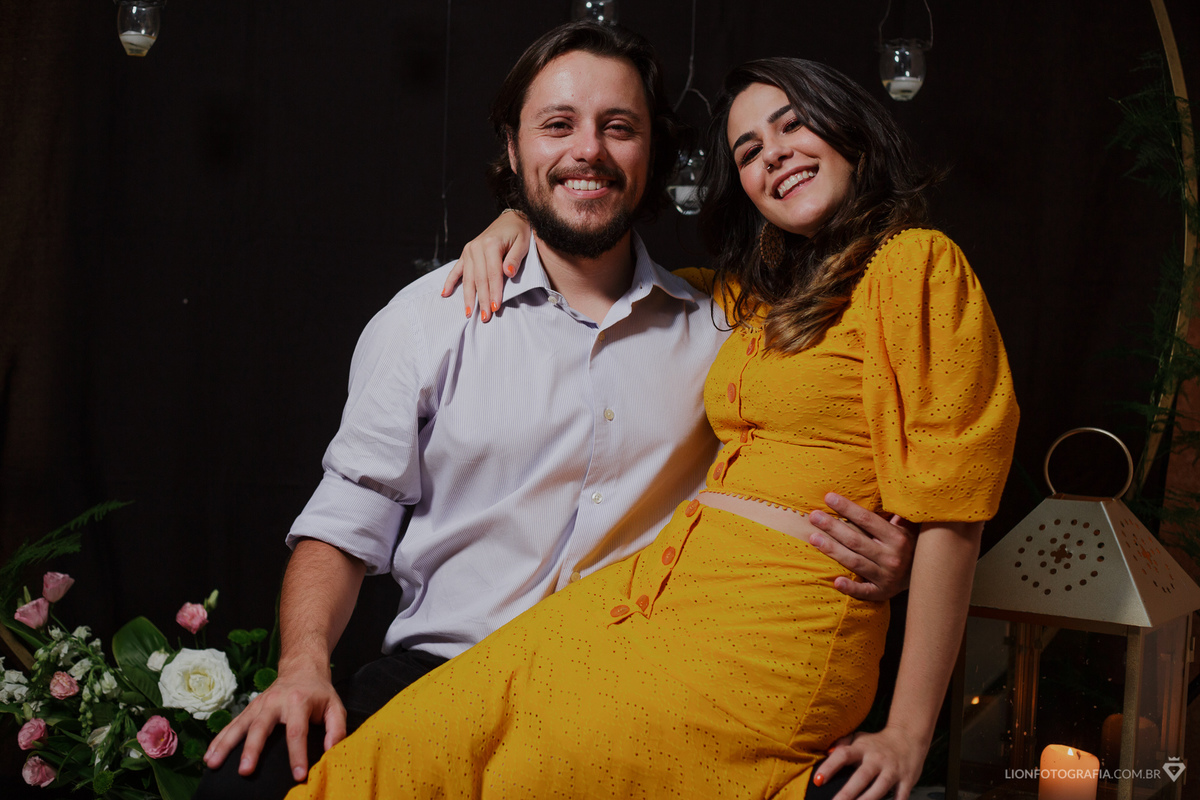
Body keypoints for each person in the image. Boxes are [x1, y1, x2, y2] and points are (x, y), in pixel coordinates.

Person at [198, 22, 916, 800]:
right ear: (513, 150)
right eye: (558, 126)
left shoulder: (726, 330)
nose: (589, 151)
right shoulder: (429, 319)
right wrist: (303, 667)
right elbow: (345, 522)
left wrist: (893, 556)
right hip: (441, 671)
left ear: (654, 153)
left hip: (635, 690)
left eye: (619, 128)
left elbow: (815, 436)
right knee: (241, 790)